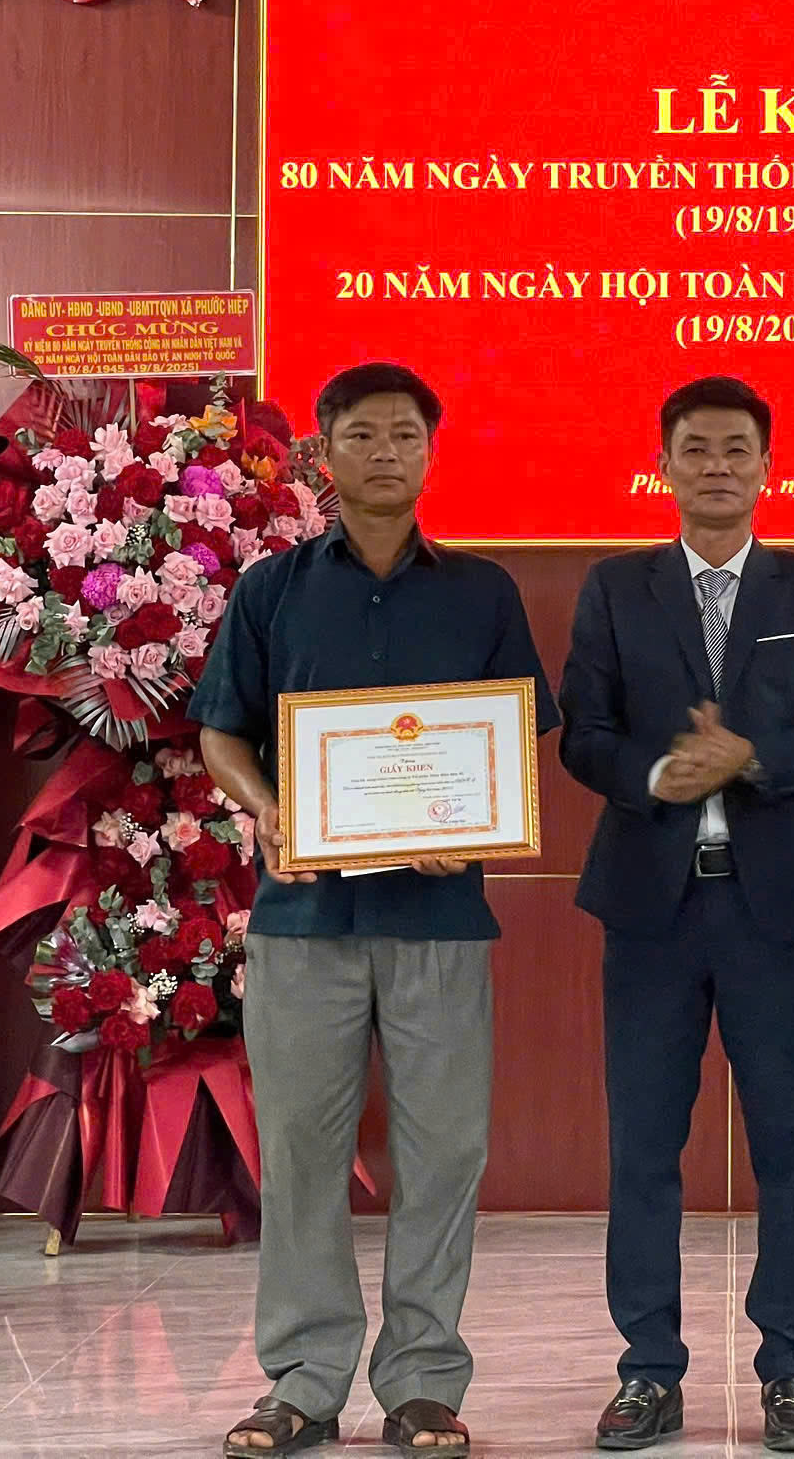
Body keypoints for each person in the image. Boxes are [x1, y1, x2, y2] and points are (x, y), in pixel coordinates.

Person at [193, 362, 560, 1458]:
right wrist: (267, 810)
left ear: (430, 453)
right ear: (324, 454)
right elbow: (221, 731)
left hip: (439, 920)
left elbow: (515, 739)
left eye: (405, 433)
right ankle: (303, 1382)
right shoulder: (271, 590)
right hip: (303, 920)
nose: (386, 451)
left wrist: (478, 822)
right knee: (302, 1154)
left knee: (443, 1153)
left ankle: (422, 1382)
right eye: (362, 434)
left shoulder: (483, 593)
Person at [559, 376, 794, 1455]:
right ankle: (648, 1370)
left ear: (766, 466)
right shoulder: (615, 587)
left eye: (737, 449)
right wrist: (658, 775)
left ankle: (788, 1367)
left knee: (789, 1147)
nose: (717, 466)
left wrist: (753, 757)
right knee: (644, 1146)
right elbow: (582, 732)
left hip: (775, 909)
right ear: (663, 465)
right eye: (695, 448)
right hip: (650, 909)